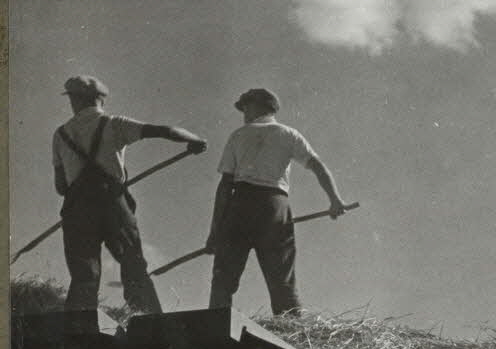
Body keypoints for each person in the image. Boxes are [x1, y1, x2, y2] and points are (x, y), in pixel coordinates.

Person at [52, 75, 207, 314]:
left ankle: (80, 334)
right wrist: (194, 140)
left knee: (84, 274)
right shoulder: (113, 123)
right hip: (112, 202)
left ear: (75, 100)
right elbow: (163, 130)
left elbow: (61, 187)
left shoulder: (60, 135)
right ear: (100, 100)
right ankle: (149, 324)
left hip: (76, 209)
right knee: (133, 266)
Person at [206, 88, 349, 315]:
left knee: (223, 279)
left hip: (239, 206)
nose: (244, 112)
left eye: (246, 106)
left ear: (261, 107)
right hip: (273, 207)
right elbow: (317, 166)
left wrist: (215, 232)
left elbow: (225, 187)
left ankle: (213, 330)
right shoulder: (289, 134)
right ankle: (295, 337)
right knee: (281, 279)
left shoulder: (239, 135)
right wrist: (335, 199)